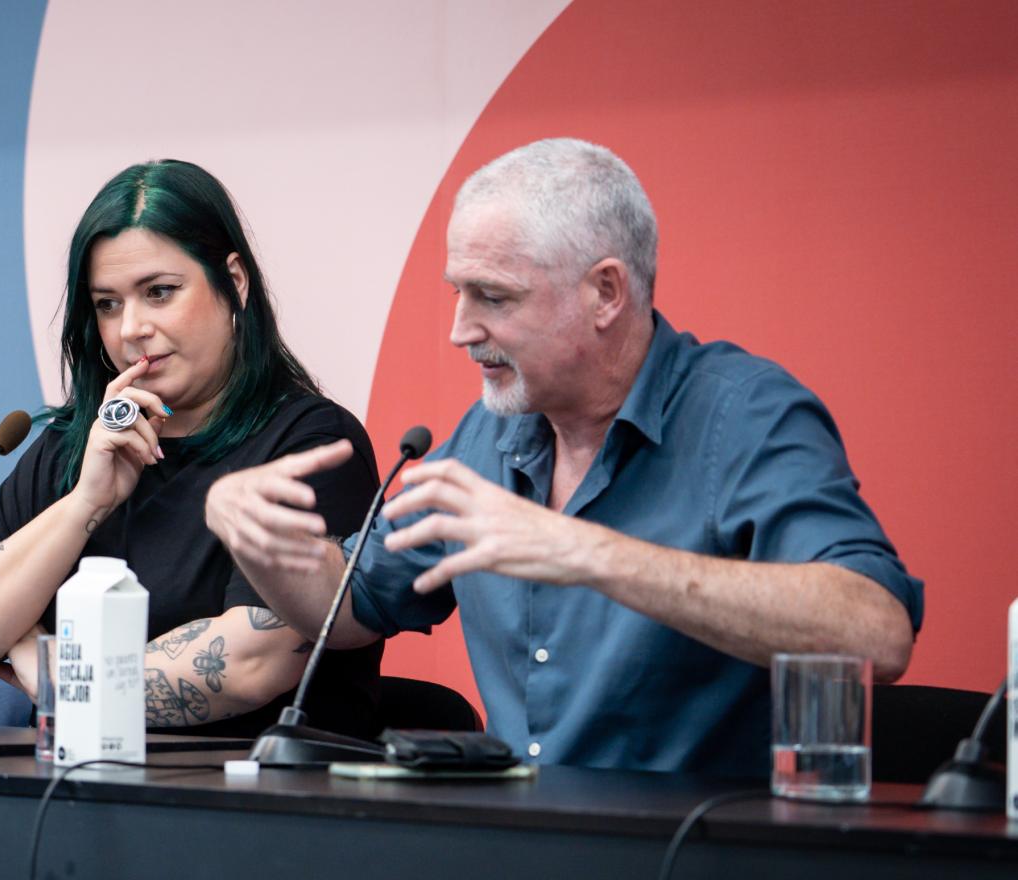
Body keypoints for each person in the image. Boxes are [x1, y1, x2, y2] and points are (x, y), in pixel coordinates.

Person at [205, 139, 923, 774]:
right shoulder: (489, 436)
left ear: (605, 292)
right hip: (526, 865)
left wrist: (587, 552)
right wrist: (257, 538)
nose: (460, 330)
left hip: (701, 874)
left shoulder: (744, 416)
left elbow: (876, 631)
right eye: (459, 293)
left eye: (494, 297)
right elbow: (351, 605)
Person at [0, 160, 382, 738]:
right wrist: (86, 503)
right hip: (81, 792)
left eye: (159, 293)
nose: (131, 327)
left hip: (262, 803)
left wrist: (61, 681)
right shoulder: (75, 444)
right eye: (107, 304)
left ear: (233, 283)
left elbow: (249, 665)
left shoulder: (309, 442)